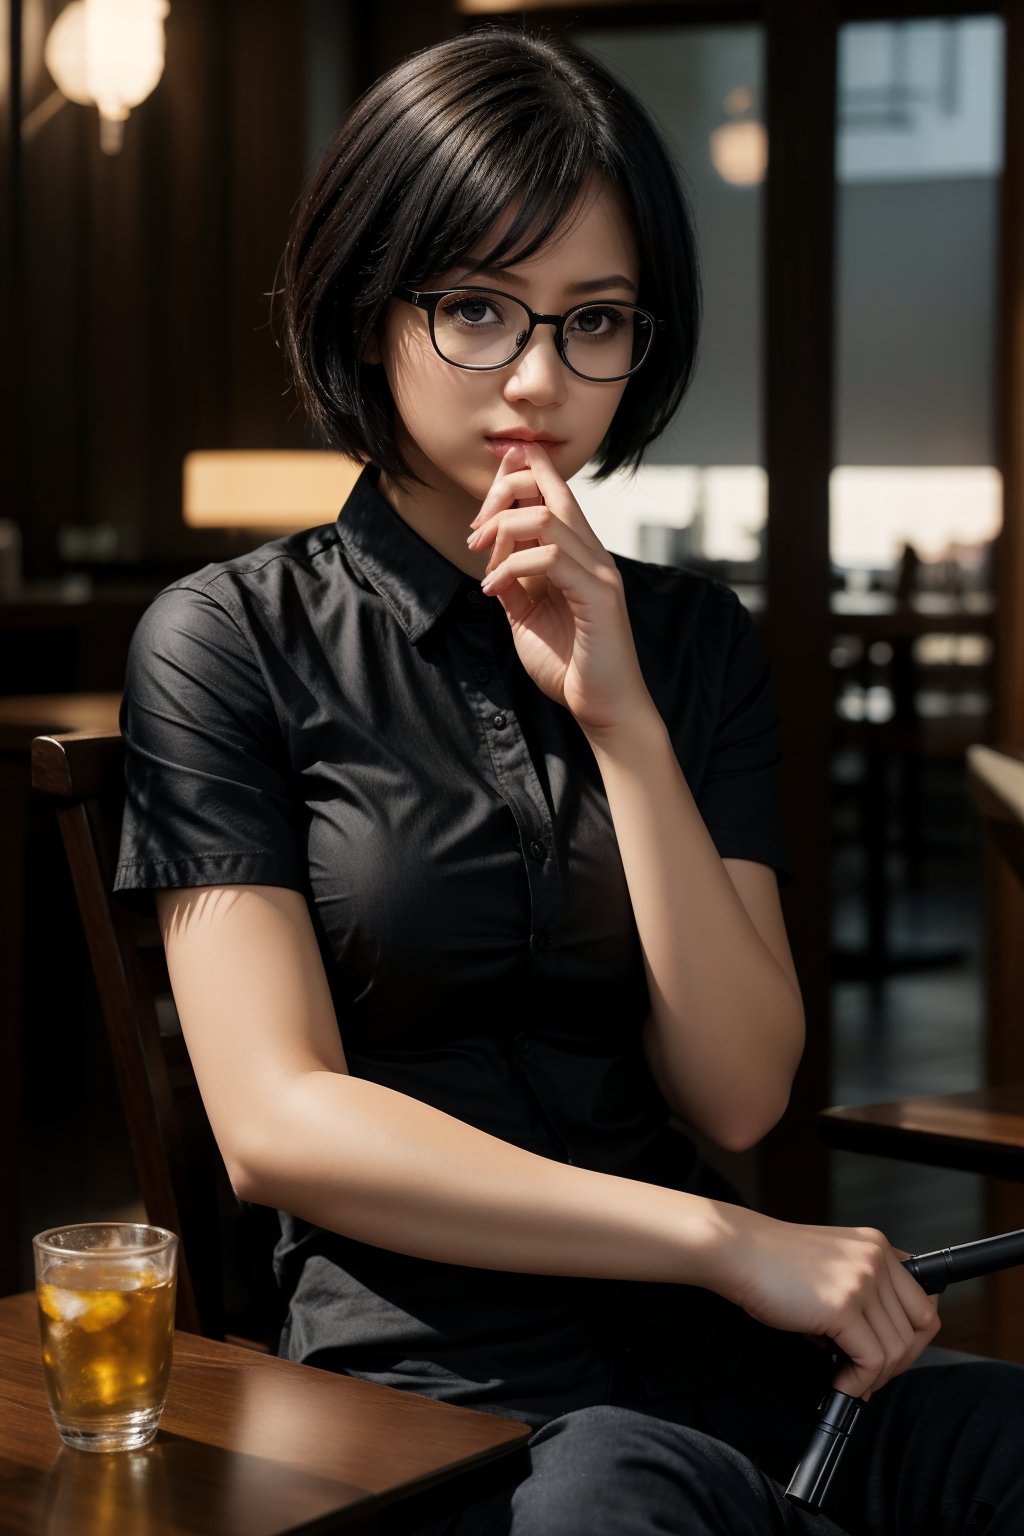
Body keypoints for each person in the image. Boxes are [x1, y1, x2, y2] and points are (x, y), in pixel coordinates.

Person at [112, 24, 1024, 1536]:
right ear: (364, 314)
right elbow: (276, 1118)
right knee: (618, 1489)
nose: (539, 378)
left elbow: (737, 1084)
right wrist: (721, 1238)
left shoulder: (689, 640)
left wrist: (625, 726)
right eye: (477, 308)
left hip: (719, 1362)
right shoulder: (229, 641)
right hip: (432, 1395)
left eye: (595, 321)